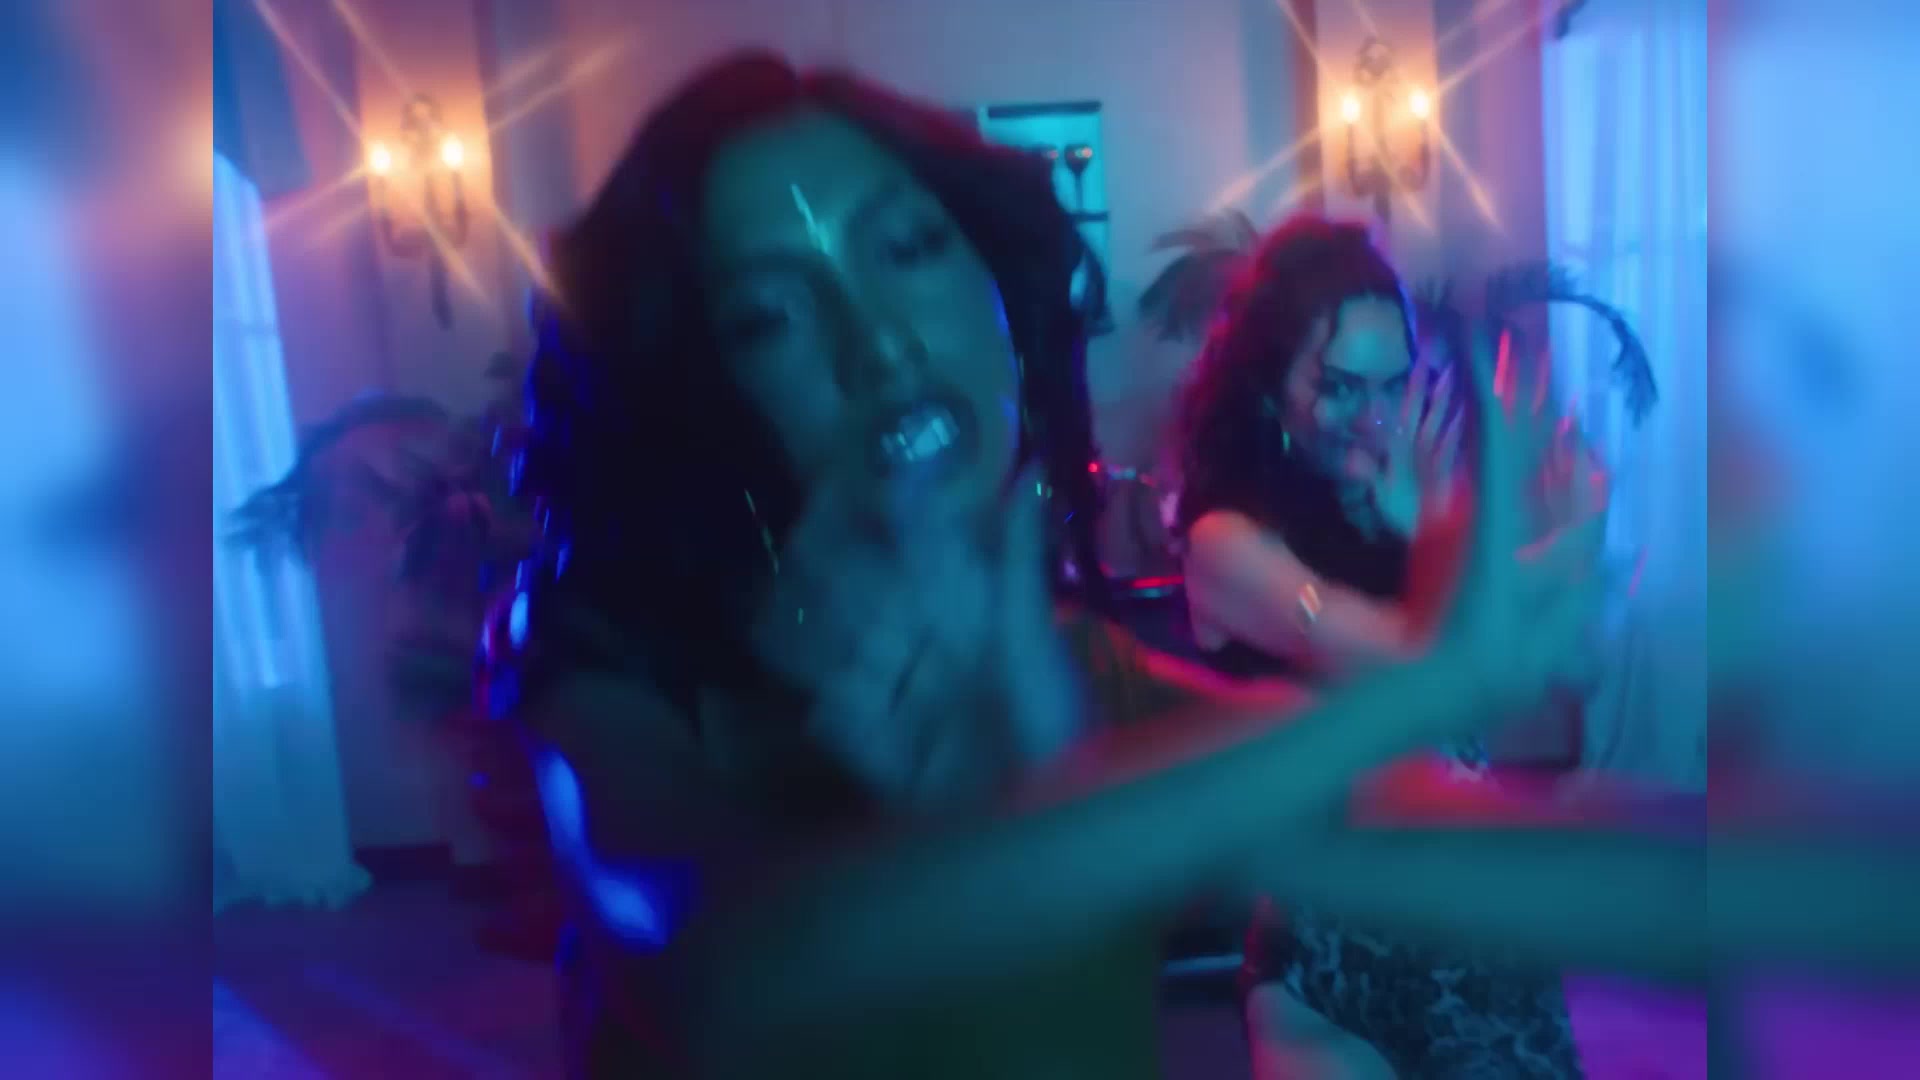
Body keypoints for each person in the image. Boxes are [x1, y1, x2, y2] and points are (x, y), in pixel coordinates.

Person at [485, 52, 1611, 1078]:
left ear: (1000, 291)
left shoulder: (1073, 655)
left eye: (909, 250)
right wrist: (1429, 679)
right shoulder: (611, 654)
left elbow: (1410, 824)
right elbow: (729, 967)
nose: (879, 343)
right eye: (766, 316)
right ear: (698, 385)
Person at [1169, 217, 1589, 1077]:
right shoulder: (1227, 544)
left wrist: (1441, 534)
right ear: (1268, 389)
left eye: (1395, 386)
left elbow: (1546, 685)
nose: (1374, 418)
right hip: (1329, 953)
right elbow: (1419, 663)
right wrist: (1466, 549)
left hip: (1477, 939)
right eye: (1340, 387)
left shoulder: (1409, 508)